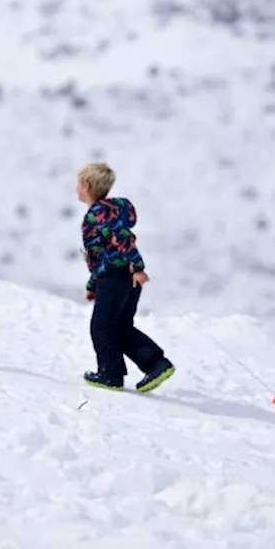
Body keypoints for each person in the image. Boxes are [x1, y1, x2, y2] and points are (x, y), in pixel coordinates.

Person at [77, 161, 175, 393]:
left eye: (78, 183)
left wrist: (137, 267)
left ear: (86, 185)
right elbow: (100, 255)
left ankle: (110, 374)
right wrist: (93, 284)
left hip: (116, 278)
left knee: (102, 327)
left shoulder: (98, 215)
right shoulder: (109, 214)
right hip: (117, 277)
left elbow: (123, 240)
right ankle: (155, 364)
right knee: (119, 325)